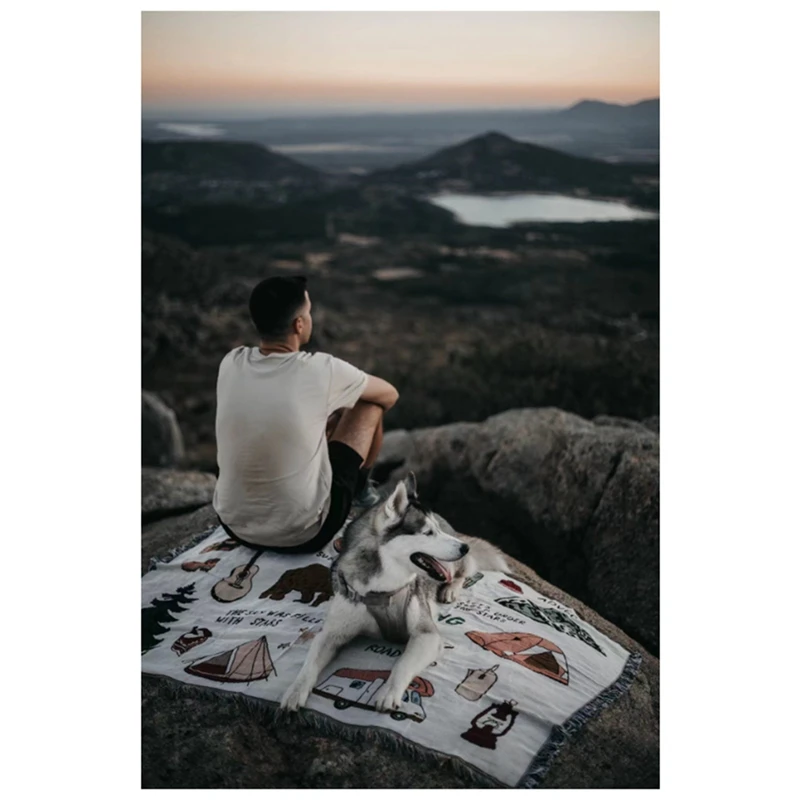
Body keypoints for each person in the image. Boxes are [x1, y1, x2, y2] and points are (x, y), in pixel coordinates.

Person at [212, 275, 399, 553]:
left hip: (234, 525)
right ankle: (360, 491)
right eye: (308, 313)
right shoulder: (321, 369)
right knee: (369, 403)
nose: (310, 319)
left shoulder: (231, 362)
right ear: (298, 324)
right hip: (304, 535)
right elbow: (389, 394)